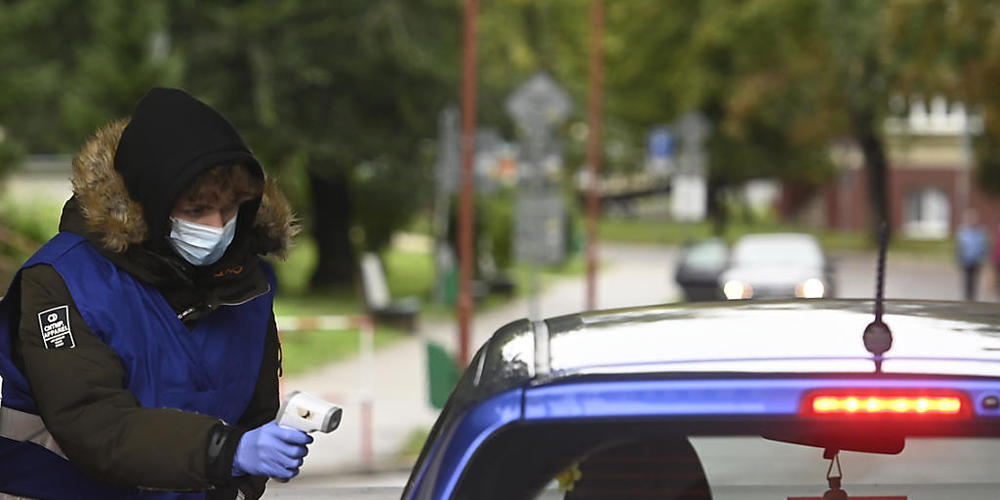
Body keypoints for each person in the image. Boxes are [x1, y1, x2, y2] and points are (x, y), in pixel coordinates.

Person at [0, 88, 306, 499]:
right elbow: (95, 422)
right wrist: (227, 452)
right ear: (151, 204)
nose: (216, 226)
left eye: (230, 209)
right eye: (196, 211)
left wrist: (241, 478)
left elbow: (256, 409)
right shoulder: (60, 281)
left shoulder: (247, 282)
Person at [956, 209, 988, 301]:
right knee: (967, 280)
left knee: (975, 280)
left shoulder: (981, 231)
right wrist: (959, 259)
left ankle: (973, 298)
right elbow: (959, 247)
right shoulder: (962, 231)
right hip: (966, 260)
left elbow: (984, 246)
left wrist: (982, 258)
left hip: (976, 260)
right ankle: (967, 298)